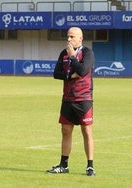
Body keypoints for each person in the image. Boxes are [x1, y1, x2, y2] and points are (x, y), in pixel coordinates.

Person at [46, 27, 95, 176]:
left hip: (84, 98)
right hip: (67, 99)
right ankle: (63, 165)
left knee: (86, 131)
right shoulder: (63, 53)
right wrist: (69, 76)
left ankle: (90, 166)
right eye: (67, 36)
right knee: (65, 131)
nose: (68, 39)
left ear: (80, 38)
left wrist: (73, 57)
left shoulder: (88, 53)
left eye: (72, 37)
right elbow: (56, 74)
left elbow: (82, 70)